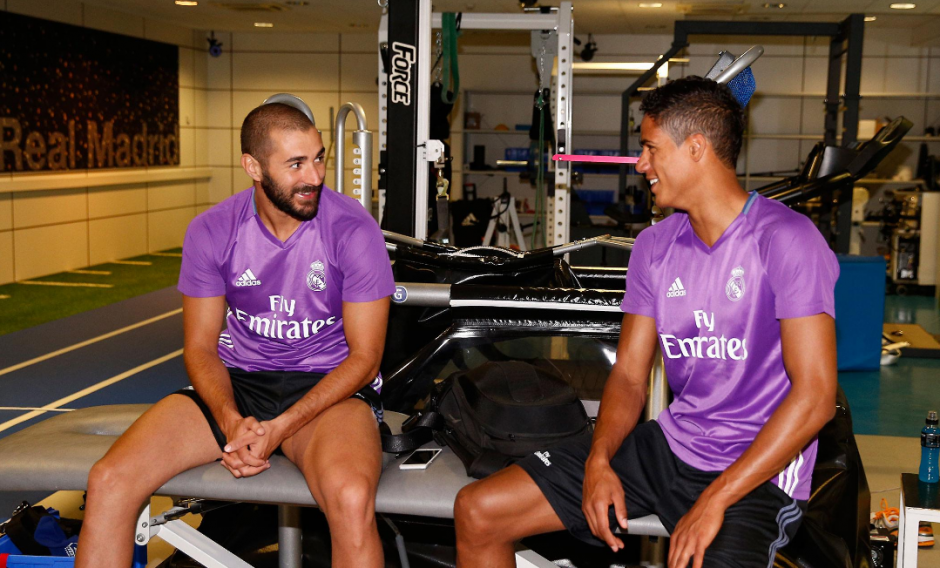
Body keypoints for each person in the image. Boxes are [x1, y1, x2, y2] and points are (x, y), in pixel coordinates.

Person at [453, 76, 840, 568]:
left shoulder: (786, 240)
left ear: (696, 148)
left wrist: (716, 498)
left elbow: (815, 398)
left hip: (756, 472)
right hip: (671, 447)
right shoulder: (654, 248)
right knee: (479, 511)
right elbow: (631, 375)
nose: (641, 164)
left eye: (651, 148)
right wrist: (598, 460)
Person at [77, 101, 395, 568]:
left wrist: (280, 427)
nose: (315, 176)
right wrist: (230, 421)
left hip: (328, 387)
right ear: (252, 166)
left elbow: (366, 358)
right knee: (108, 479)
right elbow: (201, 347)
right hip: (240, 383)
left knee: (349, 497)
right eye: (295, 164)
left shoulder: (353, 229)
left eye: (319, 158)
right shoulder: (212, 230)